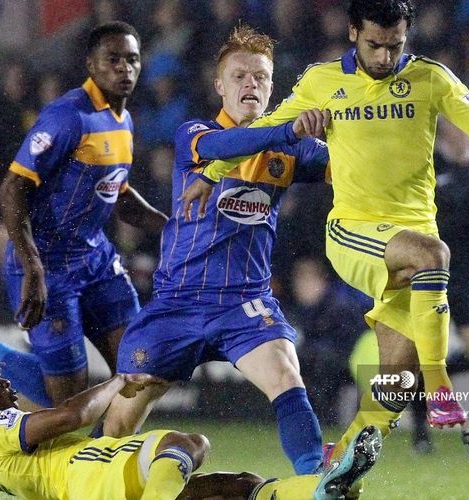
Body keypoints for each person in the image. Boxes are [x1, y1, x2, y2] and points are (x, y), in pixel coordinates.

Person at [180, 0, 469, 461]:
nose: (383, 57)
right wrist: (211, 173)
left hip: (410, 241)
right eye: (374, 45)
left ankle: (340, 465)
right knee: (435, 255)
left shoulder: (430, 78)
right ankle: (441, 390)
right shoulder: (322, 81)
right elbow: (270, 128)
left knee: (396, 382)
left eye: (394, 46)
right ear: (354, 32)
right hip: (354, 232)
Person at [104, 25, 330, 476]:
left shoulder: (291, 152)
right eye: (241, 76)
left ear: (272, 86)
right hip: (177, 303)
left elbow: (354, 166)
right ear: (219, 85)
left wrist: (347, 127)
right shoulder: (197, 134)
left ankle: (316, 482)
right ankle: (83, 482)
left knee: (286, 373)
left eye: (262, 77)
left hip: (243, 303)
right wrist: (289, 128)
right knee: (119, 418)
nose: (252, 84)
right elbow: (232, 145)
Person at [0, 317, 382, 499]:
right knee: (187, 443)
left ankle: (322, 490)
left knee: (240, 488)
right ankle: (321, 484)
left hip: (89, 479)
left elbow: (55, 411)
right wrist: (119, 379)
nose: (4, 383)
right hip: (89, 479)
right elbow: (72, 415)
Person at [0, 21, 168, 406]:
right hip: (48, 266)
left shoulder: (124, 120)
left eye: (133, 59)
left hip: (96, 260)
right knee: (68, 403)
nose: (125, 68)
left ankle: (102, 457)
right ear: (91, 65)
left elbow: (118, 195)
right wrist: (33, 268)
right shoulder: (68, 116)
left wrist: (172, 226)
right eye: (113, 60)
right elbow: (10, 189)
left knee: (140, 371)